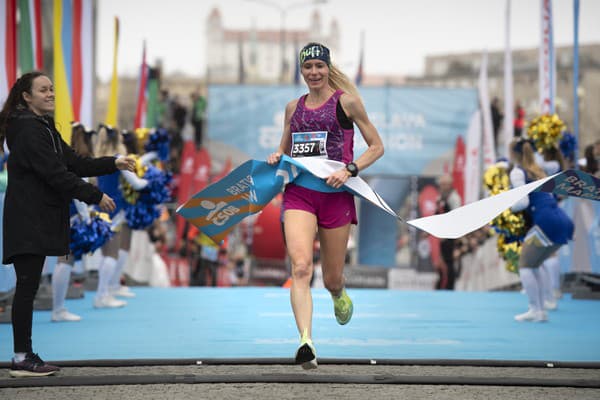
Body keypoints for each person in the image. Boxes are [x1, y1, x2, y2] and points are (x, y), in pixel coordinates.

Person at [0, 71, 136, 377]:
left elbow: (75, 162)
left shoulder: (42, 126)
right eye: (43, 90)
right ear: (26, 96)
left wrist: (112, 161)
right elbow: (55, 174)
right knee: (26, 287)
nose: (51, 94)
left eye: (52, 89)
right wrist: (95, 195)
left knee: (28, 286)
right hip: (27, 217)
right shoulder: (26, 130)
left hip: (37, 216)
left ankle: (24, 354)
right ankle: (21, 357)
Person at [266, 43, 384, 369]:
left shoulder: (346, 103)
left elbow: (377, 147)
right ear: (301, 71)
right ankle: (306, 342)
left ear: (327, 68)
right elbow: (284, 150)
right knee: (301, 267)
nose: (314, 72)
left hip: (336, 197)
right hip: (299, 195)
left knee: (331, 278)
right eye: (308, 67)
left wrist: (350, 169)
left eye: (319, 66)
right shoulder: (293, 108)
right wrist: (277, 157)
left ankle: (337, 292)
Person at [508, 139, 573, 322]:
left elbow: (522, 202)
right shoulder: (539, 170)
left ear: (514, 154)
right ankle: (544, 303)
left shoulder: (517, 172)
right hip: (560, 218)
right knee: (536, 263)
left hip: (546, 221)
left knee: (526, 265)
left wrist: (506, 206)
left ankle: (536, 309)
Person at [434, 174, 462, 290]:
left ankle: (450, 287)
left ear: (449, 185)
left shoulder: (454, 198)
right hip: (442, 234)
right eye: (440, 185)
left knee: (449, 261)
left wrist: (451, 234)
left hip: (451, 235)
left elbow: (456, 217)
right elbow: (436, 214)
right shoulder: (441, 198)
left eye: (443, 184)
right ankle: (443, 285)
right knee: (443, 261)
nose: (441, 187)